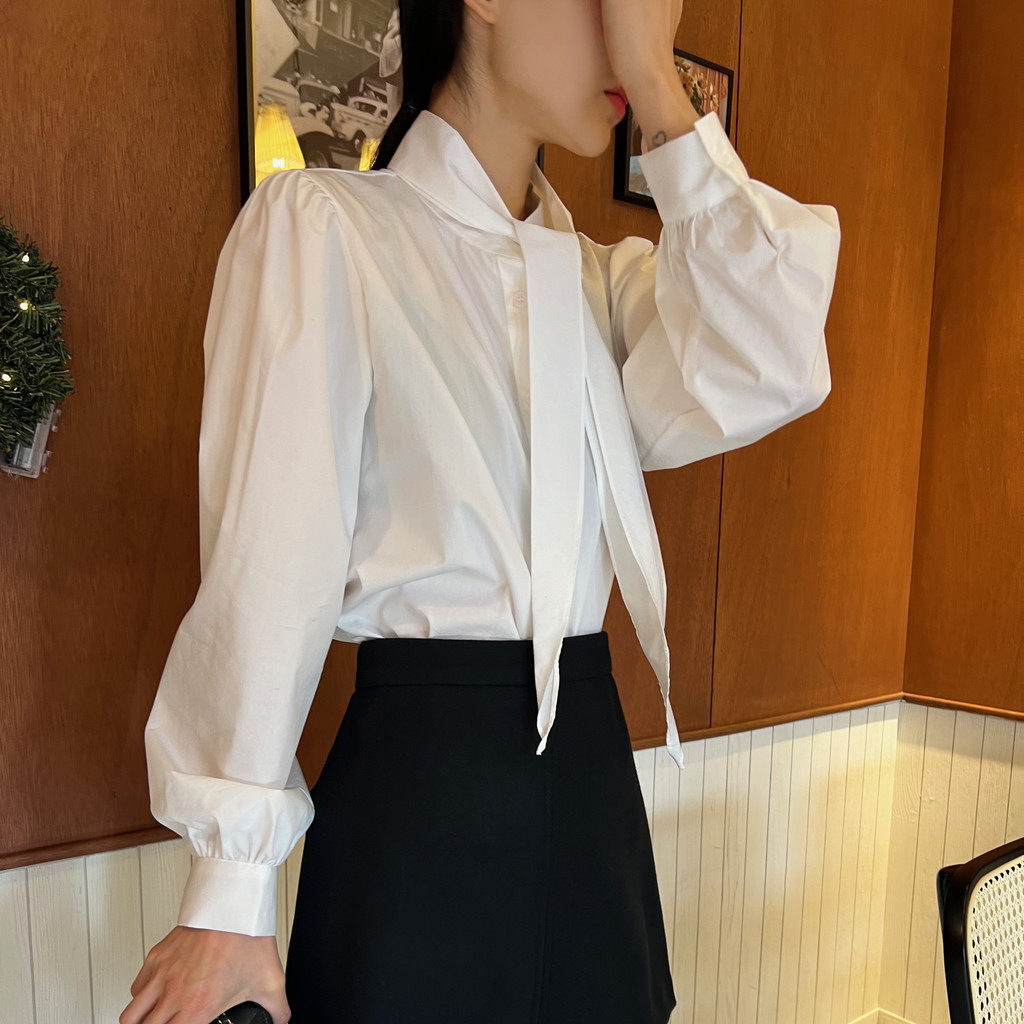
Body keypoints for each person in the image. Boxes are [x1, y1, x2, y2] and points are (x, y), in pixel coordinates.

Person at [119, 0, 841, 1021]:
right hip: (421, 810)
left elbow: (772, 352)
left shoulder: (599, 284)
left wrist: (655, 78)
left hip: (592, 793)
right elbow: (269, 568)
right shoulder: (327, 230)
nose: (634, 30)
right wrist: (228, 898)